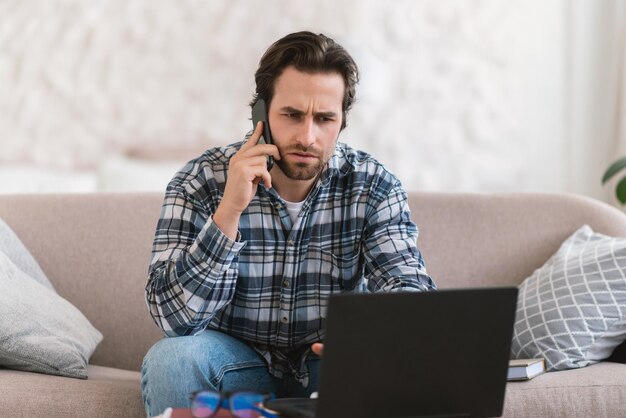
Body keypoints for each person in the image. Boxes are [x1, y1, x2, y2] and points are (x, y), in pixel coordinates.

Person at [141, 31, 436, 417]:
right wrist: (228, 211)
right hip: (236, 363)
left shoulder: (374, 185)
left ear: (342, 121)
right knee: (173, 359)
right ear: (260, 114)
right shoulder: (200, 180)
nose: (307, 136)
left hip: (331, 366)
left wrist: (372, 342)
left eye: (325, 118)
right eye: (293, 115)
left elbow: (407, 289)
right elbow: (175, 320)